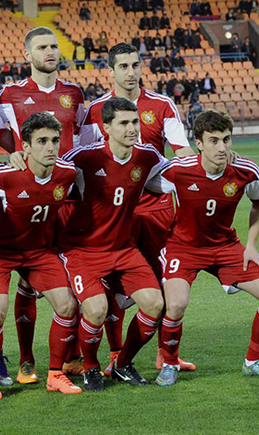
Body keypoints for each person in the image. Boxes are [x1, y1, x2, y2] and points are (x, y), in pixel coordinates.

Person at [79, 43, 196, 375]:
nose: (130, 72)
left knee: (168, 284)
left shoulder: (162, 104)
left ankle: (166, 355)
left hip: (158, 210)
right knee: (113, 287)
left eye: (135, 64)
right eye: (124, 66)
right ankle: (116, 354)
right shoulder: (96, 110)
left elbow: (181, 148)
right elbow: (85, 157)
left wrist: (200, 170)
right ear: (111, 71)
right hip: (117, 214)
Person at [150, 110, 259, 385]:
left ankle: (253, 361)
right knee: (175, 304)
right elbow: (143, 185)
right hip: (183, 247)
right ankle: (170, 362)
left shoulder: (246, 171)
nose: (222, 147)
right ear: (198, 143)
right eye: (213, 141)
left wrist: (251, 246)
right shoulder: (179, 169)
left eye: (226, 139)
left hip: (226, 247)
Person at [0, 26, 86, 383]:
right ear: (27, 54)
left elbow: (83, 138)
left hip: (65, 197)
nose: (50, 52)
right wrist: (13, 153)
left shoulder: (74, 93)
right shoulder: (10, 94)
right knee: (28, 283)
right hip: (27, 196)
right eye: (42, 47)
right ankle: (27, 360)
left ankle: (73, 356)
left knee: (74, 279)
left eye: (54, 46)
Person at [61, 97, 168, 389]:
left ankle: (122, 364)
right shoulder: (83, 157)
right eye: (123, 123)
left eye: (135, 122)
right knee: (95, 310)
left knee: (155, 304)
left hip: (124, 250)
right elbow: (46, 174)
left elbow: (180, 175)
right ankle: (91, 367)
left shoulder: (147, 157)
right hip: (84, 251)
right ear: (105, 127)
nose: (132, 128)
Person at [0, 112, 82, 399]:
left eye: (55, 140)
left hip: (38, 253)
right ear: (27, 146)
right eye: (42, 141)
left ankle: (56, 374)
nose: (50, 147)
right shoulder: (6, 174)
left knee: (68, 305)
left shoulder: (68, 174)